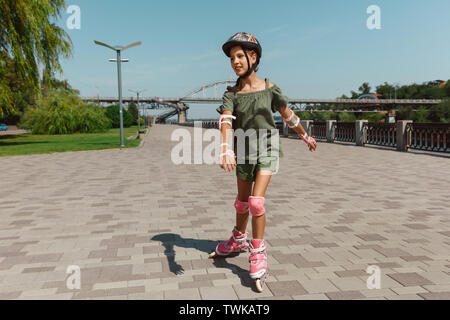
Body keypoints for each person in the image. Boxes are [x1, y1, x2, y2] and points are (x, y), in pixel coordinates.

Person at [210, 32, 317, 292]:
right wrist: (226, 148)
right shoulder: (232, 94)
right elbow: (226, 121)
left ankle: (257, 252)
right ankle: (238, 238)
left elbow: (288, 115)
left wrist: (305, 136)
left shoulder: (271, 90)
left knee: (256, 203)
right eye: (231, 58)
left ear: (253, 56)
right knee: (242, 203)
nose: (235, 61)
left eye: (240, 56)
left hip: (268, 149)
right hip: (244, 151)